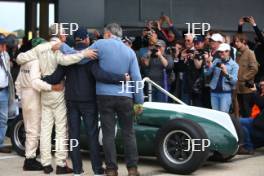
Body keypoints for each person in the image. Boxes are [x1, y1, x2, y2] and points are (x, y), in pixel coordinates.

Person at [42, 27, 130, 176]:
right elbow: (100, 75)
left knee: (74, 136)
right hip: (89, 101)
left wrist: (39, 79)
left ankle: (77, 170)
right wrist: (121, 78)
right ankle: (97, 169)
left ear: (75, 39)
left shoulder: (67, 56)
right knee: (92, 135)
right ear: (87, 39)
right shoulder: (90, 55)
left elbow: (55, 77)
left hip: (71, 101)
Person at [16, 24, 98, 174]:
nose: (66, 37)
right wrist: (84, 54)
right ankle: (60, 164)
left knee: (46, 129)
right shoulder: (61, 47)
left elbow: (20, 58)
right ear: (60, 36)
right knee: (61, 129)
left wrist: (39, 75)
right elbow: (66, 61)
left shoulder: (39, 48)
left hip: (44, 92)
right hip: (59, 91)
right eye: (65, 34)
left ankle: (46, 163)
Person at [83, 23, 144, 176]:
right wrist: (139, 101)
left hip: (104, 96)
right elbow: (136, 78)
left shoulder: (100, 44)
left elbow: (82, 58)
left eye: (104, 33)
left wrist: (65, 50)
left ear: (109, 33)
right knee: (128, 133)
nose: (104, 36)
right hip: (125, 97)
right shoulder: (130, 52)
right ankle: (132, 169)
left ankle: (111, 169)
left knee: (108, 134)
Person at [15, 37, 63, 171]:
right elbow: (36, 83)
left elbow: (18, 82)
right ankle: (29, 160)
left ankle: (30, 157)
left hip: (25, 96)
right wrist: (52, 87)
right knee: (34, 130)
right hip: (34, 95)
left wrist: (20, 96)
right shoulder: (36, 61)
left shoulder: (24, 62)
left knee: (30, 128)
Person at [204, 43, 239, 113]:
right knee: (215, 114)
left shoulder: (234, 65)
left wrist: (226, 74)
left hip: (225, 93)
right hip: (214, 92)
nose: (221, 54)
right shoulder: (216, 60)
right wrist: (207, 63)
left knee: (223, 115)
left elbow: (235, 81)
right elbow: (207, 73)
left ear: (228, 52)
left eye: (223, 52)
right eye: (220, 52)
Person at [234, 33, 258, 117]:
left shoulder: (250, 53)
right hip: (239, 87)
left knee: (247, 111)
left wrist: (243, 77)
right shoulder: (238, 53)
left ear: (243, 41)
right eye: (235, 41)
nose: (235, 43)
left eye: (237, 41)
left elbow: (254, 69)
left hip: (247, 88)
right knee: (242, 110)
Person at [238, 78, 264, 154]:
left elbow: (261, 103)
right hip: (256, 121)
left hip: (258, 126)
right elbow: (256, 103)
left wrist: (255, 91)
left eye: (263, 85)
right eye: (261, 85)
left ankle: (248, 147)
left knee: (240, 125)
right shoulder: (260, 94)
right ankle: (248, 145)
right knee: (237, 121)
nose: (262, 87)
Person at [0, 34, 15, 153]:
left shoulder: (5, 55)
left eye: (4, 45)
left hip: (4, 91)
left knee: (3, 119)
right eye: (2, 45)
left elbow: (8, 70)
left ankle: (0, 143)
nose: (4, 47)